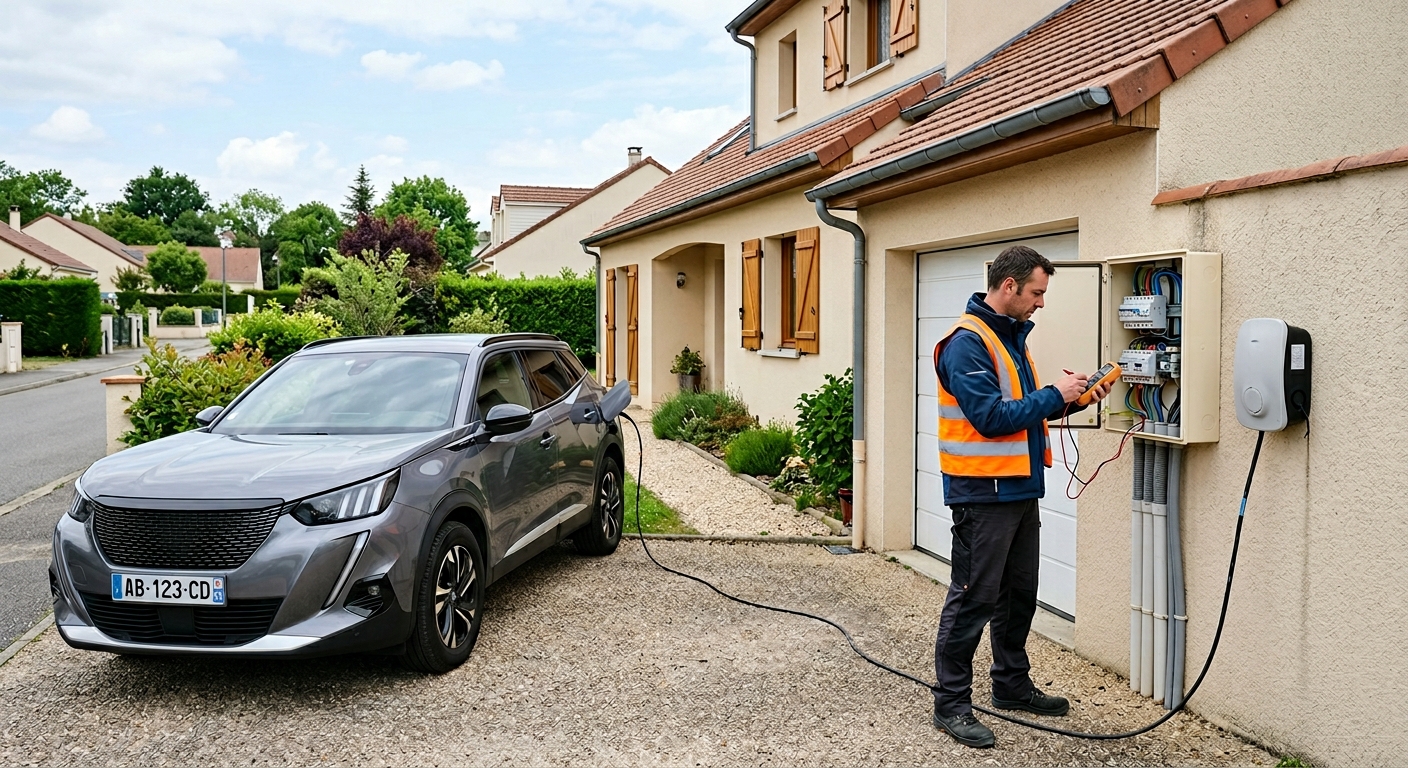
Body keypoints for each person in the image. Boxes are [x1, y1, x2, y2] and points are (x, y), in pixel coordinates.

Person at [929, 245, 1112, 749]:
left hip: (1018, 489)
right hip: (981, 493)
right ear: (1008, 286)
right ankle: (951, 704)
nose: (1041, 302)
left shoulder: (1012, 339)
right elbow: (990, 419)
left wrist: (1075, 401)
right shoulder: (967, 343)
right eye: (1037, 292)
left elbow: (1025, 412)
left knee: (1017, 596)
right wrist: (1055, 393)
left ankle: (1010, 685)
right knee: (973, 600)